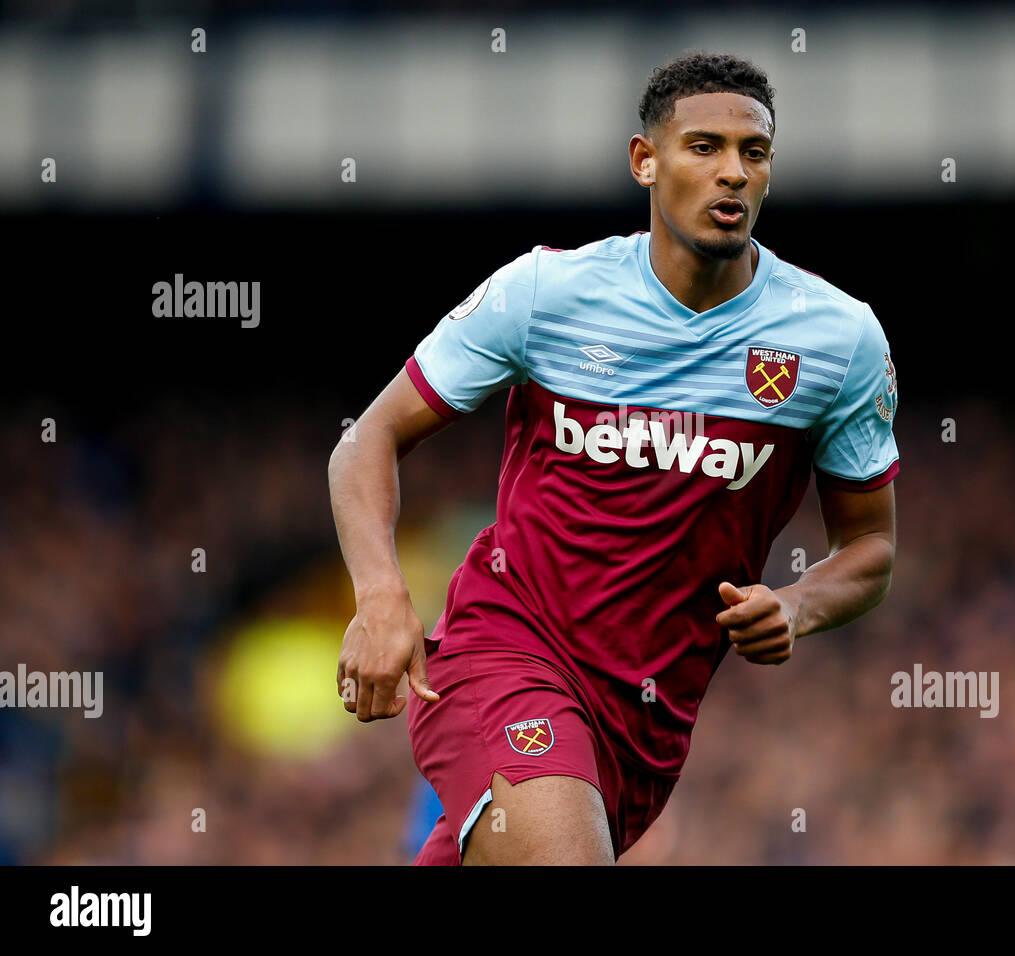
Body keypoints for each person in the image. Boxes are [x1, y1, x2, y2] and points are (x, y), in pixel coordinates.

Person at [328, 50, 899, 865]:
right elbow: (366, 441)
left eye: (754, 153)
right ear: (646, 160)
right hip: (506, 649)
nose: (732, 172)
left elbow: (872, 548)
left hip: (645, 724)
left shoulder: (836, 340)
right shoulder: (545, 294)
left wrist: (799, 605)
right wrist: (381, 595)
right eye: (703, 147)